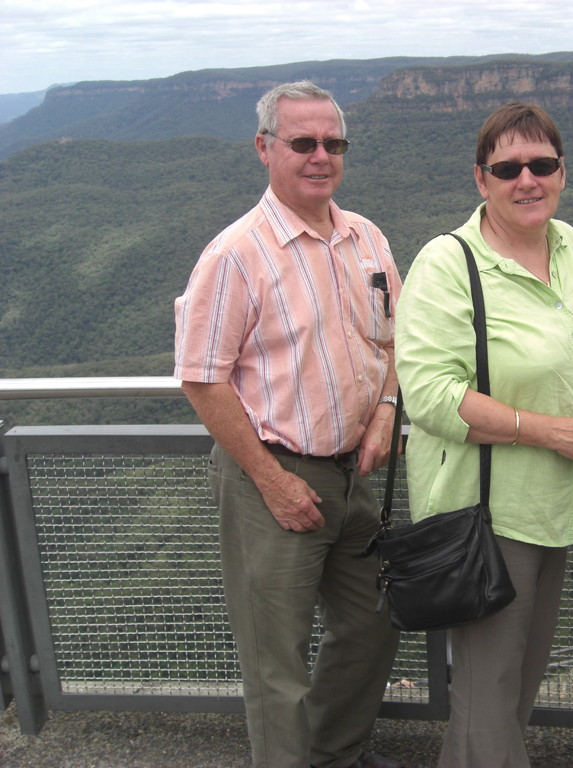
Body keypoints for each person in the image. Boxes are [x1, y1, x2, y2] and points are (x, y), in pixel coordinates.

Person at [394, 102, 573, 768]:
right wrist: (542, 430)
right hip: (487, 514)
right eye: (508, 168)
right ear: (481, 179)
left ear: (562, 171)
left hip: (559, 504)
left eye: (542, 164)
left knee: (511, 689)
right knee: (489, 694)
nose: (527, 179)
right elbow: (430, 395)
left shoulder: (569, 244)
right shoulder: (447, 263)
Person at [173, 81, 406, 768]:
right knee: (277, 661)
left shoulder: (366, 237)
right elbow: (201, 377)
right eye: (303, 142)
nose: (320, 156)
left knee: (372, 623)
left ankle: (333, 753)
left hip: (351, 472)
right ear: (265, 148)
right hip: (271, 477)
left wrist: (387, 408)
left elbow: (398, 339)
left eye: (333, 144)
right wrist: (272, 481)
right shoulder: (236, 254)